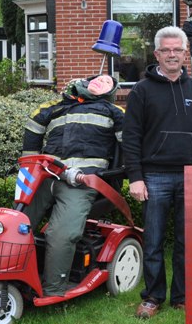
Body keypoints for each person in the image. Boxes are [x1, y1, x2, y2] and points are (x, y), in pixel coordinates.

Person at [123, 26, 192, 318]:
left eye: (177, 49)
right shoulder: (141, 91)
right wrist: (136, 177)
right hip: (155, 177)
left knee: (187, 242)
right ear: (157, 54)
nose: (172, 54)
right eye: (166, 50)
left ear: (186, 53)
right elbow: (131, 137)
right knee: (153, 241)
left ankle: (182, 296)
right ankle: (153, 297)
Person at [21, 75, 124, 296]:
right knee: (16, 221)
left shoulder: (113, 111)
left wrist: (132, 175)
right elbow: (33, 126)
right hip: (46, 177)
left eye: (108, 82)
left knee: (60, 235)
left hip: (82, 182)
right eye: (97, 78)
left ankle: (53, 289)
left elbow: (131, 144)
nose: (101, 81)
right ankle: (12, 273)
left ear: (110, 92)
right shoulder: (58, 106)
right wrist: (30, 165)